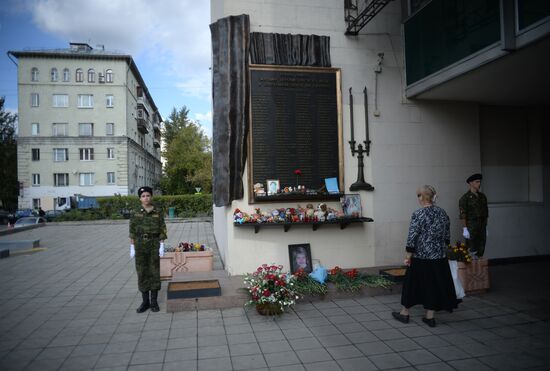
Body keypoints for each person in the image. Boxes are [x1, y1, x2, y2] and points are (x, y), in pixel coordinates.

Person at [392, 185, 458, 327]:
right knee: (434, 284)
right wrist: (444, 247)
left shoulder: (418, 214)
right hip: (439, 256)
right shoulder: (442, 213)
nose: (418, 198)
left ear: (422, 197)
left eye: (418, 195)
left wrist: (408, 255)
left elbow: (412, 236)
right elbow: (447, 234)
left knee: (412, 284)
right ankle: (430, 317)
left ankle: (404, 313)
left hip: (421, 256)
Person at [129, 186, 167, 313]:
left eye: (148, 195)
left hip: (154, 243)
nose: (146, 198)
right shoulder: (135, 212)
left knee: (154, 271)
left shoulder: (158, 211)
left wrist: (162, 245)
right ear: (140, 198)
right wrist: (132, 246)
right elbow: (132, 230)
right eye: (143, 196)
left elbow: (162, 228)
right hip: (140, 245)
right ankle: (145, 302)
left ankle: (154, 302)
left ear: (152, 196)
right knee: (142, 271)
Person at [459, 173, 488, 258]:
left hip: (482, 226)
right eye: (477, 182)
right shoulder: (465, 198)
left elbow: (486, 213)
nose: (479, 184)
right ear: (471, 183)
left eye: (479, 182)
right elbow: (463, 214)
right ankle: (472, 270)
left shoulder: (482, 197)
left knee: (481, 249)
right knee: (471, 251)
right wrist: (465, 229)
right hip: (471, 227)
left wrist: (486, 227)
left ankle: (479, 270)